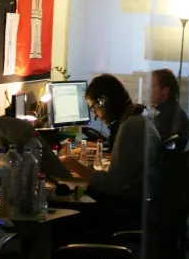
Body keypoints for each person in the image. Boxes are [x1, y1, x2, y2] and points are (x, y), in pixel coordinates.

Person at [62, 74, 157, 216]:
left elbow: (114, 185)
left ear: (103, 102)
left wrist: (74, 165)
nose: (96, 116)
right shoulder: (137, 118)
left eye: (94, 108)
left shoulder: (131, 127)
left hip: (127, 208)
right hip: (138, 201)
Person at [150, 68, 189, 148]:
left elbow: (150, 142)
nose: (149, 90)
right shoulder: (173, 109)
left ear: (165, 90)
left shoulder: (166, 116)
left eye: (152, 86)